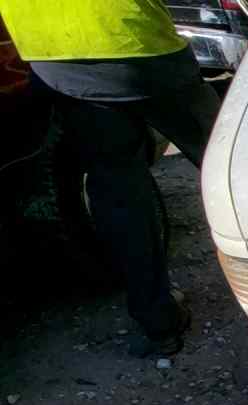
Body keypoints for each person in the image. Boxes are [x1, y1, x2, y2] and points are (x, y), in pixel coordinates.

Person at [0, 0, 221, 356]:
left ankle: (158, 323)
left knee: (119, 190)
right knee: (228, 161)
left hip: (53, 55)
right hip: (134, 41)